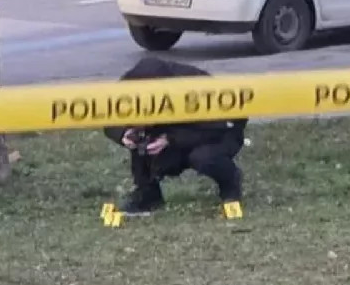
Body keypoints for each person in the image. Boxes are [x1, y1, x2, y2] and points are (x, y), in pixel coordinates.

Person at [103, 55, 247, 215]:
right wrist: (124, 133)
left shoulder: (196, 87)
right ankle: (147, 193)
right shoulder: (126, 88)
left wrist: (170, 139)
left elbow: (215, 127)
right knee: (142, 142)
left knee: (203, 157)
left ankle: (230, 183)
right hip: (175, 129)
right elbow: (107, 117)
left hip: (220, 132)